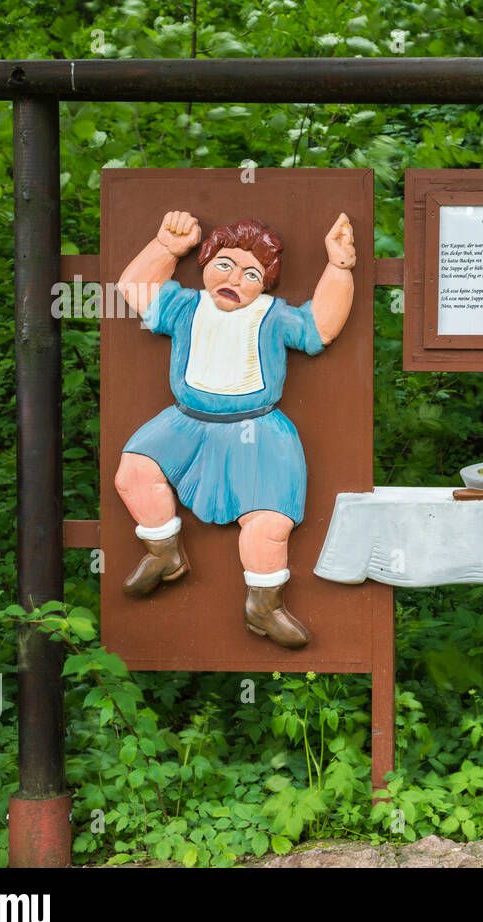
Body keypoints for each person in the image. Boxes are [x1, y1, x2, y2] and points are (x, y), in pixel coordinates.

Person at [113, 209, 356, 649]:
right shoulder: (186, 306)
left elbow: (320, 327)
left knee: (269, 521)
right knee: (133, 471)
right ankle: (163, 553)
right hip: (187, 423)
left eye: (251, 274)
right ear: (205, 264)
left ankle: (264, 605)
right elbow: (134, 289)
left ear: (264, 284)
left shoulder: (272, 315)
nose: (235, 279)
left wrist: (339, 266)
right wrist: (167, 248)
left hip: (257, 430)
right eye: (224, 264)